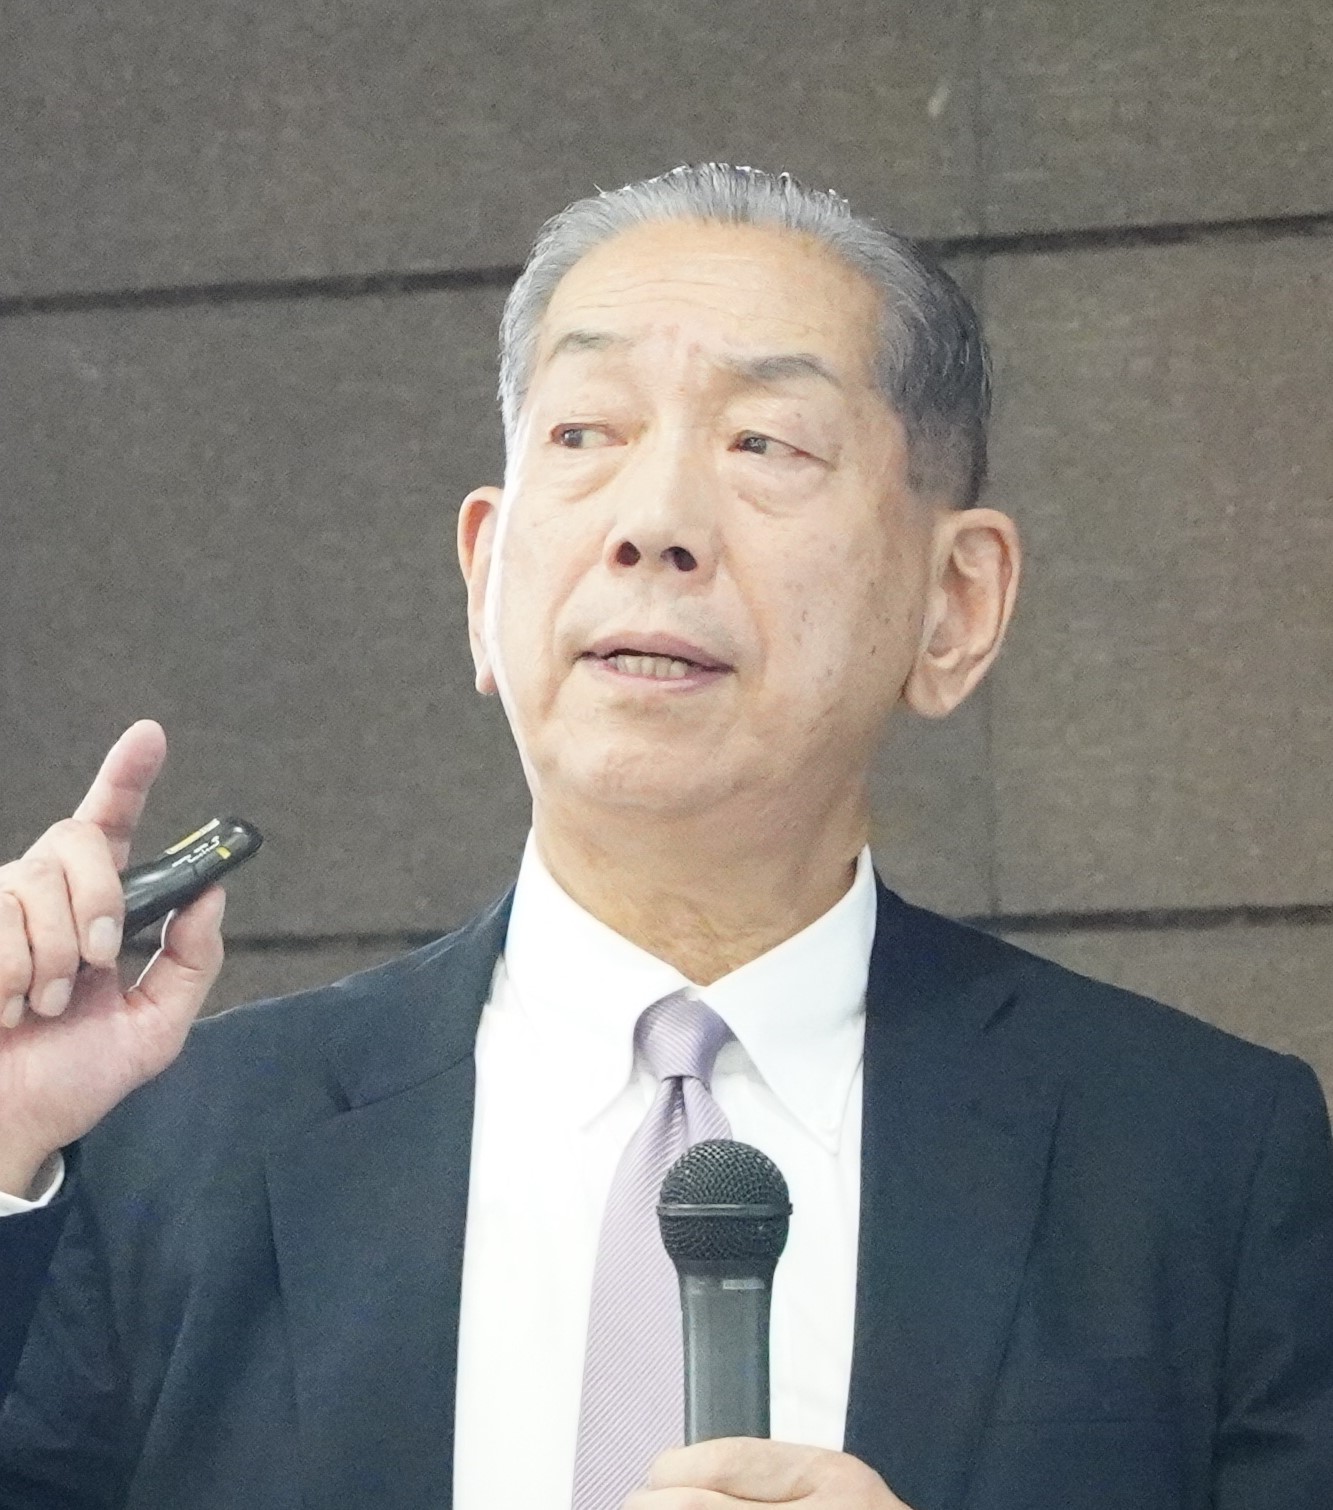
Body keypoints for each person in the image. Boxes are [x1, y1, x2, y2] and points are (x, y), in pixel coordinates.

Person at [0, 163, 1329, 1510]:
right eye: (585, 432)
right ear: (485, 576)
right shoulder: (166, 1145)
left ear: (955, 604)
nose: (654, 526)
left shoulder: (1197, 1161)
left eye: (766, 444)